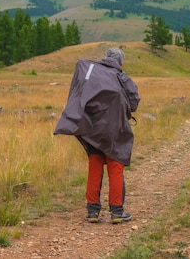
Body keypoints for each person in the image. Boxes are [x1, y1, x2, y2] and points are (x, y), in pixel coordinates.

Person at [54, 47, 141, 224]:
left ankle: (92, 211)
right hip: (115, 131)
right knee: (115, 168)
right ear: (120, 62)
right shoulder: (121, 77)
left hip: (92, 131)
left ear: (106, 58)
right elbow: (134, 102)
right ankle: (116, 212)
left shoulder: (91, 72)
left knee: (95, 167)